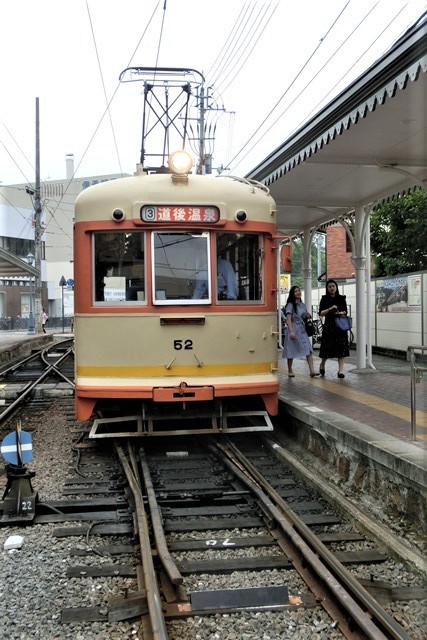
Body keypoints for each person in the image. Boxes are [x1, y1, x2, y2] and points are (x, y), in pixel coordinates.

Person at [282, 285, 319, 377]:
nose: (298, 292)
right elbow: (288, 319)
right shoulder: (290, 305)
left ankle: (312, 371)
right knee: (291, 350)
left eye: (299, 291)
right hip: (293, 328)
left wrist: (307, 315)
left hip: (302, 329)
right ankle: (290, 370)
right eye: (295, 291)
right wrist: (291, 331)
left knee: (308, 349)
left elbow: (304, 316)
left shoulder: (303, 305)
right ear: (292, 294)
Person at [318, 279, 349, 378]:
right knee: (327, 348)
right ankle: (322, 364)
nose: (332, 288)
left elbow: (345, 311)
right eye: (329, 286)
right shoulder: (324, 299)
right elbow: (321, 313)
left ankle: (341, 371)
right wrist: (330, 309)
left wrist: (340, 312)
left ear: (336, 287)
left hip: (340, 326)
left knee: (341, 348)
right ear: (327, 288)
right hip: (329, 326)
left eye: (333, 286)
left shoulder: (341, 298)